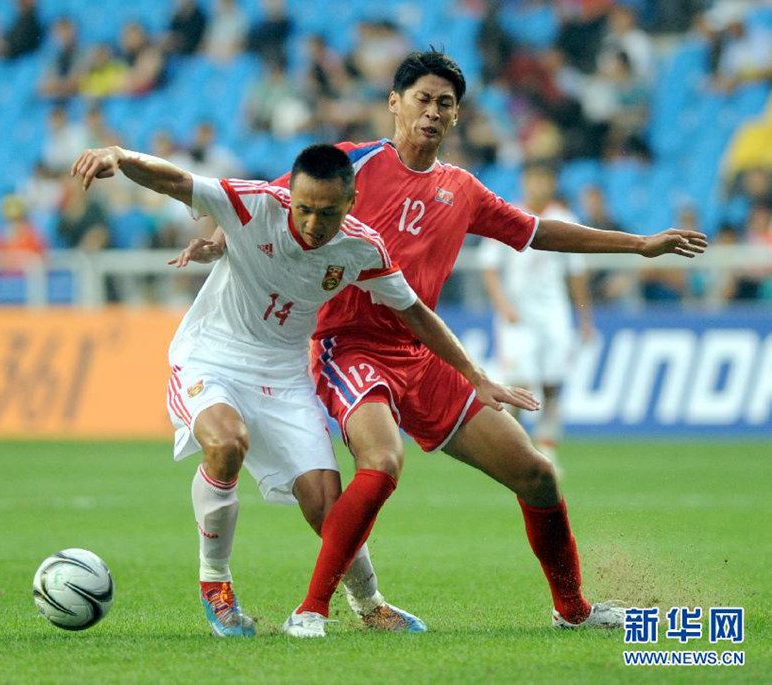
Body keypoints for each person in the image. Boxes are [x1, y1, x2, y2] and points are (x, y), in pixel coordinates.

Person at [194, 50, 707, 638]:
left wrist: (639, 245)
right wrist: (213, 239)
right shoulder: (349, 164)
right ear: (394, 103)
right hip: (349, 347)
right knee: (382, 461)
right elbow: (267, 202)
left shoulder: (460, 189)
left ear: (457, 117)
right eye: (422, 99)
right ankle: (311, 609)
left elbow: (537, 232)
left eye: (445, 104)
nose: (433, 112)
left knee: (536, 473)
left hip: (425, 353)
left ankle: (574, 610)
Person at [70, 143, 538, 638]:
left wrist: (475, 375)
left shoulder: (362, 247)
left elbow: (416, 312)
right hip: (212, 357)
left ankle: (369, 604)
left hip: (285, 375)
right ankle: (216, 585)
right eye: (305, 208)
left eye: (328, 212)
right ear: (289, 195)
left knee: (327, 505)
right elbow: (176, 180)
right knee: (226, 443)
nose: (314, 223)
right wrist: (121, 157)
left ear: (352, 202)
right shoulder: (253, 203)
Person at [479, 162, 592, 464]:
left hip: (555, 313)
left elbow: (576, 274)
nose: (537, 185)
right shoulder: (507, 215)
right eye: (532, 179)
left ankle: (548, 446)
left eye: (543, 179)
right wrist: (503, 304)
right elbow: (489, 268)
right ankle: (516, 451)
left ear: (552, 183)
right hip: (517, 317)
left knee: (553, 384)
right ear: (523, 182)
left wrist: (584, 318)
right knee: (519, 385)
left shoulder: (565, 219)